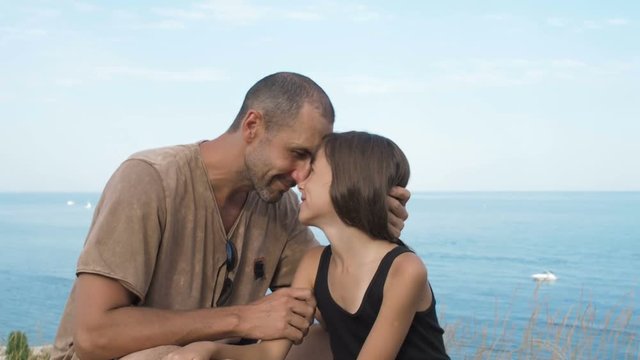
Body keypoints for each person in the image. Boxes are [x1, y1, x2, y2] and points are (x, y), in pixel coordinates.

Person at [51, 72, 410, 360]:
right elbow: (93, 338)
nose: (302, 175)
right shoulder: (150, 179)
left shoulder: (280, 207)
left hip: (216, 353)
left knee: (332, 344)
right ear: (253, 126)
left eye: (312, 161)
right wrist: (244, 318)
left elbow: (337, 304)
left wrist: (366, 228)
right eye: (297, 153)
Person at [162, 131, 450, 360]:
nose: (299, 180)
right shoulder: (313, 264)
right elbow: (268, 353)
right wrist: (209, 350)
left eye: (312, 171)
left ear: (348, 183)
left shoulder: (404, 270)